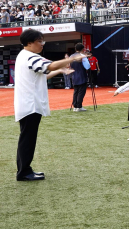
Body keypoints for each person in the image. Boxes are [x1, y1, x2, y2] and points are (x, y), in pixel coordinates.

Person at [14, 29, 80, 181]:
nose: (42, 44)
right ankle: (23, 172)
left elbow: (45, 73)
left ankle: (25, 169)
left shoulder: (25, 56)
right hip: (30, 105)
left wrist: (61, 71)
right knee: (27, 140)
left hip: (29, 104)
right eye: (39, 41)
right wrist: (73, 59)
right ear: (29, 43)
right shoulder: (30, 57)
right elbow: (50, 66)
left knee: (27, 138)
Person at [69, 43, 90, 112]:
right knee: (81, 91)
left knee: (76, 91)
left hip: (74, 76)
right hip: (82, 75)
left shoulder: (71, 56)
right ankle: (79, 106)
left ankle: (75, 106)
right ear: (82, 49)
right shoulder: (82, 56)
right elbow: (87, 66)